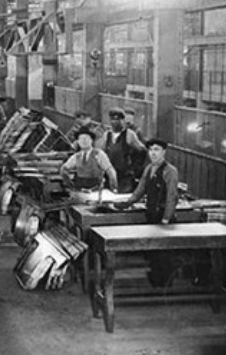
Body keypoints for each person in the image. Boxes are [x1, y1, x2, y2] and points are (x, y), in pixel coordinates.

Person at [115, 138, 180, 287]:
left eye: (157, 150)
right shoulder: (149, 168)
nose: (153, 153)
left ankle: (166, 286)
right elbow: (140, 190)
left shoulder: (170, 171)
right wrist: (126, 203)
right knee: (153, 252)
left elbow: (172, 197)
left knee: (164, 253)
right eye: (151, 150)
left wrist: (166, 219)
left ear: (164, 152)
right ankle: (156, 283)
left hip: (163, 217)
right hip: (151, 215)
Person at [96, 107, 147, 193]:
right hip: (110, 175)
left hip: (124, 177)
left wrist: (135, 169)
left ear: (123, 120)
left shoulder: (129, 134)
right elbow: (100, 152)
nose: (115, 122)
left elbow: (142, 151)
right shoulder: (107, 135)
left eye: (118, 119)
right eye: (113, 119)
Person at [60, 127, 118, 192]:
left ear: (91, 140)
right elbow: (63, 169)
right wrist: (70, 184)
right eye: (81, 139)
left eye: (86, 138)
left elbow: (111, 171)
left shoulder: (99, 154)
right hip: (80, 192)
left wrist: (114, 188)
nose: (84, 141)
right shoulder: (76, 156)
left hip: (96, 192)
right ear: (78, 141)